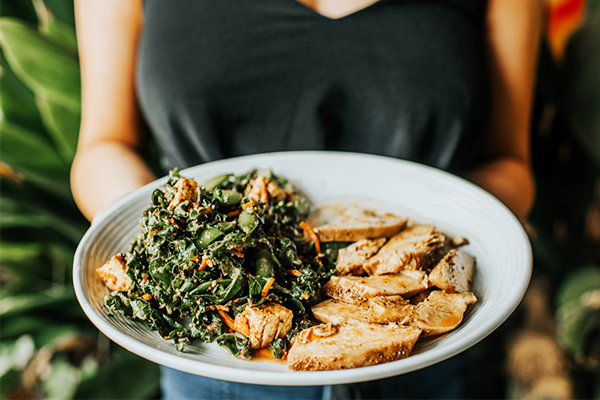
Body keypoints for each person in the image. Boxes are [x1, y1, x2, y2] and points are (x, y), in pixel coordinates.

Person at [71, 0, 542, 398]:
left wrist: (440, 232)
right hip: (212, 372)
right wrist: (167, 238)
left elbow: (510, 163)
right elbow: (103, 148)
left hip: (421, 357)